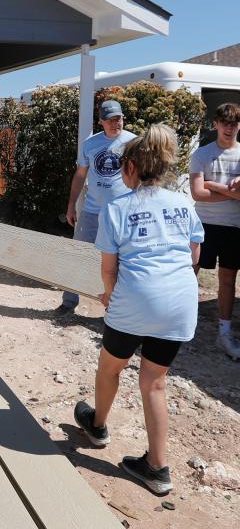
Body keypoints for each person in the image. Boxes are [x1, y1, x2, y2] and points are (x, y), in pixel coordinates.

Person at [73, 124, 203, 495]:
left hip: (134, 300)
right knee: (154, 383)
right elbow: (194, 255)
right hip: (179, 302)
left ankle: (97, 427)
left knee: (110, 368)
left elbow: (108, 267)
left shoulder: (117, 207)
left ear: (130, 167)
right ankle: (158, 469)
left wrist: (110, 294)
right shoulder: (182, 204)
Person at [57, 100, 136, 315]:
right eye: (110, 120)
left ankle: (117, 309)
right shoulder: (90, 144)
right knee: (78, 254)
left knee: (122, 261)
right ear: (101, 121)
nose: (115, 123)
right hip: (92, 211)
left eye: (118, 118)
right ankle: (69, 301)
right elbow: (80, 175)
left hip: (123, 213)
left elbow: (141, 177)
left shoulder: (133, 142)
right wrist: (71, 205)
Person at [188, 102, 240, 360]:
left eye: (234, 123)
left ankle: (224, 333)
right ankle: (181, 326)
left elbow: (206, 189)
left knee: (228, 281)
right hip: (203, 225)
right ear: (216, 124)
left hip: (234, 227)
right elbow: (197, 193)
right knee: (189, 274)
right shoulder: (202, 153)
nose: (229, 128)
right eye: (225, 122)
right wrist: (231, 192)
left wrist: (214, 185)